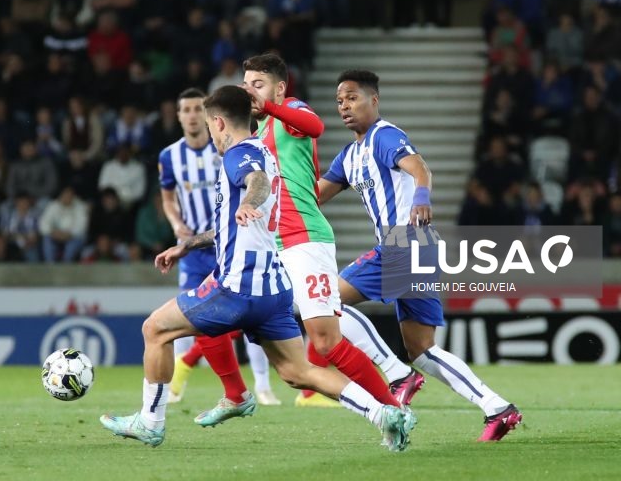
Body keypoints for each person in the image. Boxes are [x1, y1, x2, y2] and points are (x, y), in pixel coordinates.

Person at [99, 85, 415, 451]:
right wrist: (187, 244)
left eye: (209, 125)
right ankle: (382, 414)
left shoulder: (239, 155)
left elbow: (256, 184)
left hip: (237, 287)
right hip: (274, 289)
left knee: (155, 329)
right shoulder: (265, 151)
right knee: (299, 373)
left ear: (218, 122)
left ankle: (151, 422)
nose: (211, 134)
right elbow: (238, 217)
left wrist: (249, 201)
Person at [317, 69, 522, 441]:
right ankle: (498, 408)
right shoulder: (349, 156)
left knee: (323, 300)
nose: (344, 106)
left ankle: (396, 372)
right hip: (412, 247)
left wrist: (422, 197)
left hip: (405, 242)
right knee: (423, 349)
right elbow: (315, 195)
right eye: (339, 101)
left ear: (373, 100)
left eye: (352, 97)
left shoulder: (385, 135)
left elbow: (419, 167)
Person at [242, 53, 405, 409]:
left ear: (279, 88)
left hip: (304, 238)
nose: (249, 92)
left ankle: (392, 403)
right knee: (297, 349)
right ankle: (237, 394)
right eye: (246, 85)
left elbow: (315, 127)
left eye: (258, 84)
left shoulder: (290, 111)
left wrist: (269, 106)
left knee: (327, 339)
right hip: (276, 242)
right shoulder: (261, 129)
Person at [158, 88, 280, 407]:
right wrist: (178, 230)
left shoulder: (233, 150)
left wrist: (249, 204)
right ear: (179, 115)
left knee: (242, 317)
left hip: (236, 243)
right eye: (185, 109)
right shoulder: (170, 156)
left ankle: (260, 387)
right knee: (201, 320)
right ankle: (180, 384)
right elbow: (168, 199)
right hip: (201, 245)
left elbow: (257, 181)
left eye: (199, 109)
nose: (193, 115)